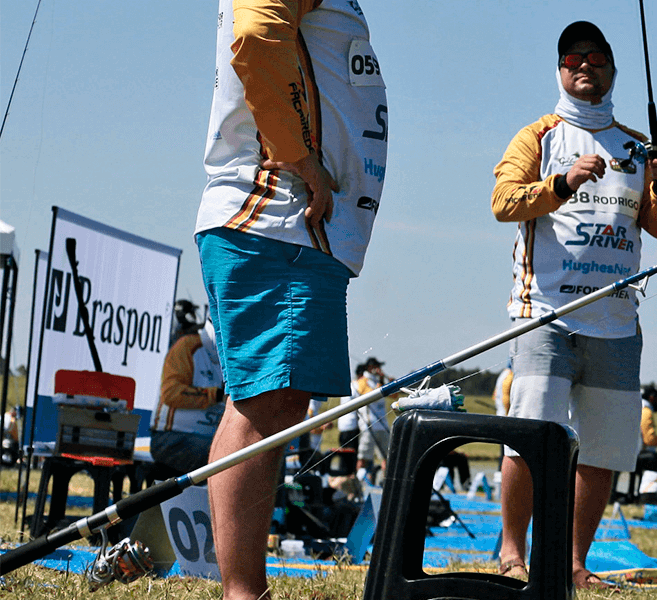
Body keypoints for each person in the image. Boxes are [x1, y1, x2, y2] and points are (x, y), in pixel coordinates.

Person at [195, 1, 390, 598]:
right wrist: (299, 156)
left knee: (275, 403)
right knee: (268, 402)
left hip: (296, 228)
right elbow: (255, 35)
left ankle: (244, 588)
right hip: (276, 217)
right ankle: (243, 590)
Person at [489, 20, 657, 590]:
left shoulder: (634, 145)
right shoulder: (538, 135)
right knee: (530, 436)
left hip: (617, 322)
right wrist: (564, 182)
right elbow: (503, 202)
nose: (586, 67)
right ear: (560, 69)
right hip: (546, 313)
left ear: (612, 70)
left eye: (597, 58)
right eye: (575, 58)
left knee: (603, 448)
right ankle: (510, 555)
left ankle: (572, 561)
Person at [153, 323, 225, 475]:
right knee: (222, 457)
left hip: (207, 439)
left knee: (259, 457)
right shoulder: (188, 346)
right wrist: (216, 395)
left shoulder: (231, 358)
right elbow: (171, 393)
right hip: (172, 438)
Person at [349, 357, 397, 472]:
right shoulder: (362, 381)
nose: (379, 369)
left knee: (388, 456)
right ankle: (359, 479)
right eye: (377, 367)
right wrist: (381, 381)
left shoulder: (377, 381)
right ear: (371, 368)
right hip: (369, 426)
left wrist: (390, 382)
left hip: (382, 425)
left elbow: (394, 396)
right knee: (364, 457)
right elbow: (373, 396)